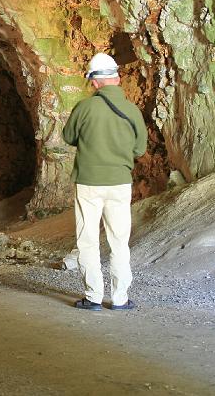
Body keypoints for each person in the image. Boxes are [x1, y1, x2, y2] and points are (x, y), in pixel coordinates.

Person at [62, 53, 147, 311]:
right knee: (119, 241)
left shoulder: (84, 108)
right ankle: (120, 298)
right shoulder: (132, 110)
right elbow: (140, 149)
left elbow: (68, 136)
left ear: (94, 82)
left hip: (89, 183)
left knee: (87, 240)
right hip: (120, 182)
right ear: (117, 78)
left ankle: (93, 296)